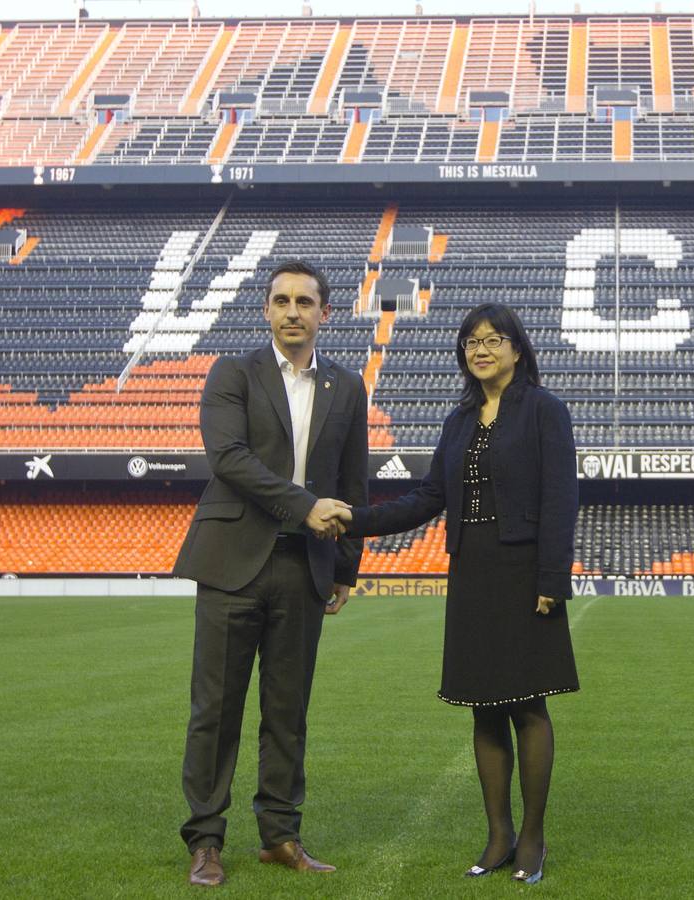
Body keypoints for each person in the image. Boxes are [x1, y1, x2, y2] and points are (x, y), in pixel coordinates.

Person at [320, 302, 578, 885]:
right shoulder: (459, 419)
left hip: (523, 574)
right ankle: (498, 836)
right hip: (472, 573)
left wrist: (551, 580)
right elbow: (427, 498)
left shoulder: (544, 410)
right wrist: (354, 519)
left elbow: (561, 499)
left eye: (492, 340)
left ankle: (533, 838)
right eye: (470, 342)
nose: (480, 350)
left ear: (517, 347)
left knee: (528, 706)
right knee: (483, 709)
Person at [172, 259, 368, 887]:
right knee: (216, 709)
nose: (292, 311)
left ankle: (280, 835)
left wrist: (346, 566)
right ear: (266, 309)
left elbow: (351, 482)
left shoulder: (347, 386)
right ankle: (205, 839)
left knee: (288, 711)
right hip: (233, 562)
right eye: (281, 300)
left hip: (304, 569)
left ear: (324, 313)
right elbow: (228, 458)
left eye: (305, 302)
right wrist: (304, 505)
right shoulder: (234, 373)